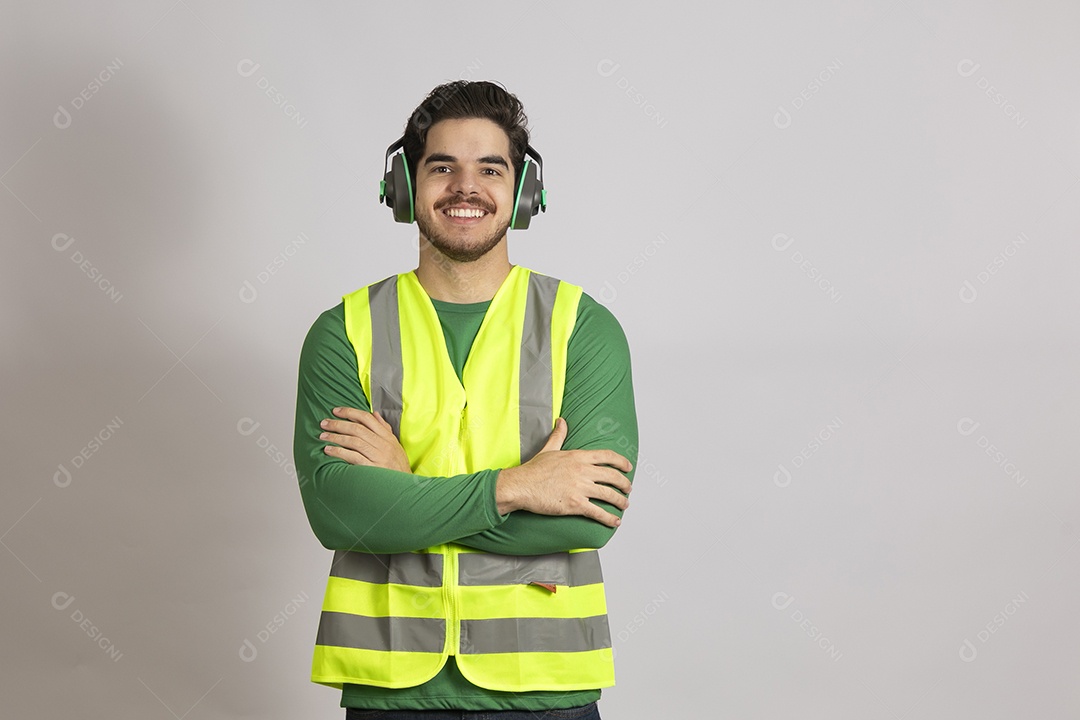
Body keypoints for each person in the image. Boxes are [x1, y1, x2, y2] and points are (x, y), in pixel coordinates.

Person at [293, 80, 638, 719]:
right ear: (403, 186)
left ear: (524, 190)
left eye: (490, 168)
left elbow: (586, 516)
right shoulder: (343, 331)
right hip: (388, 689)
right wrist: (515, 486)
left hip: (546, 691)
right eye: (442, 167)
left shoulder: (581, 327)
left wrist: (404, 492)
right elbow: (339, 513)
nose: (465, 187)